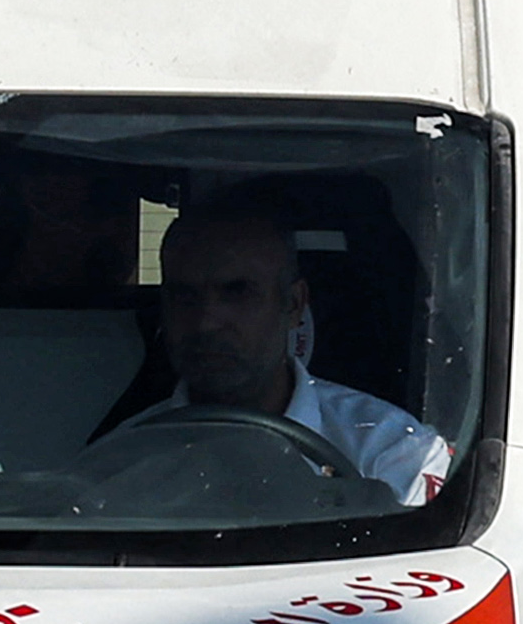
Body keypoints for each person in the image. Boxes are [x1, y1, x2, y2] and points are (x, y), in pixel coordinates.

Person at [110, 196, 450, 503]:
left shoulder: (391, 453)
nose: (205, 322)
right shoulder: (120, 461)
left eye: (237, 292)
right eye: (185, 296)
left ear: (293, 305)